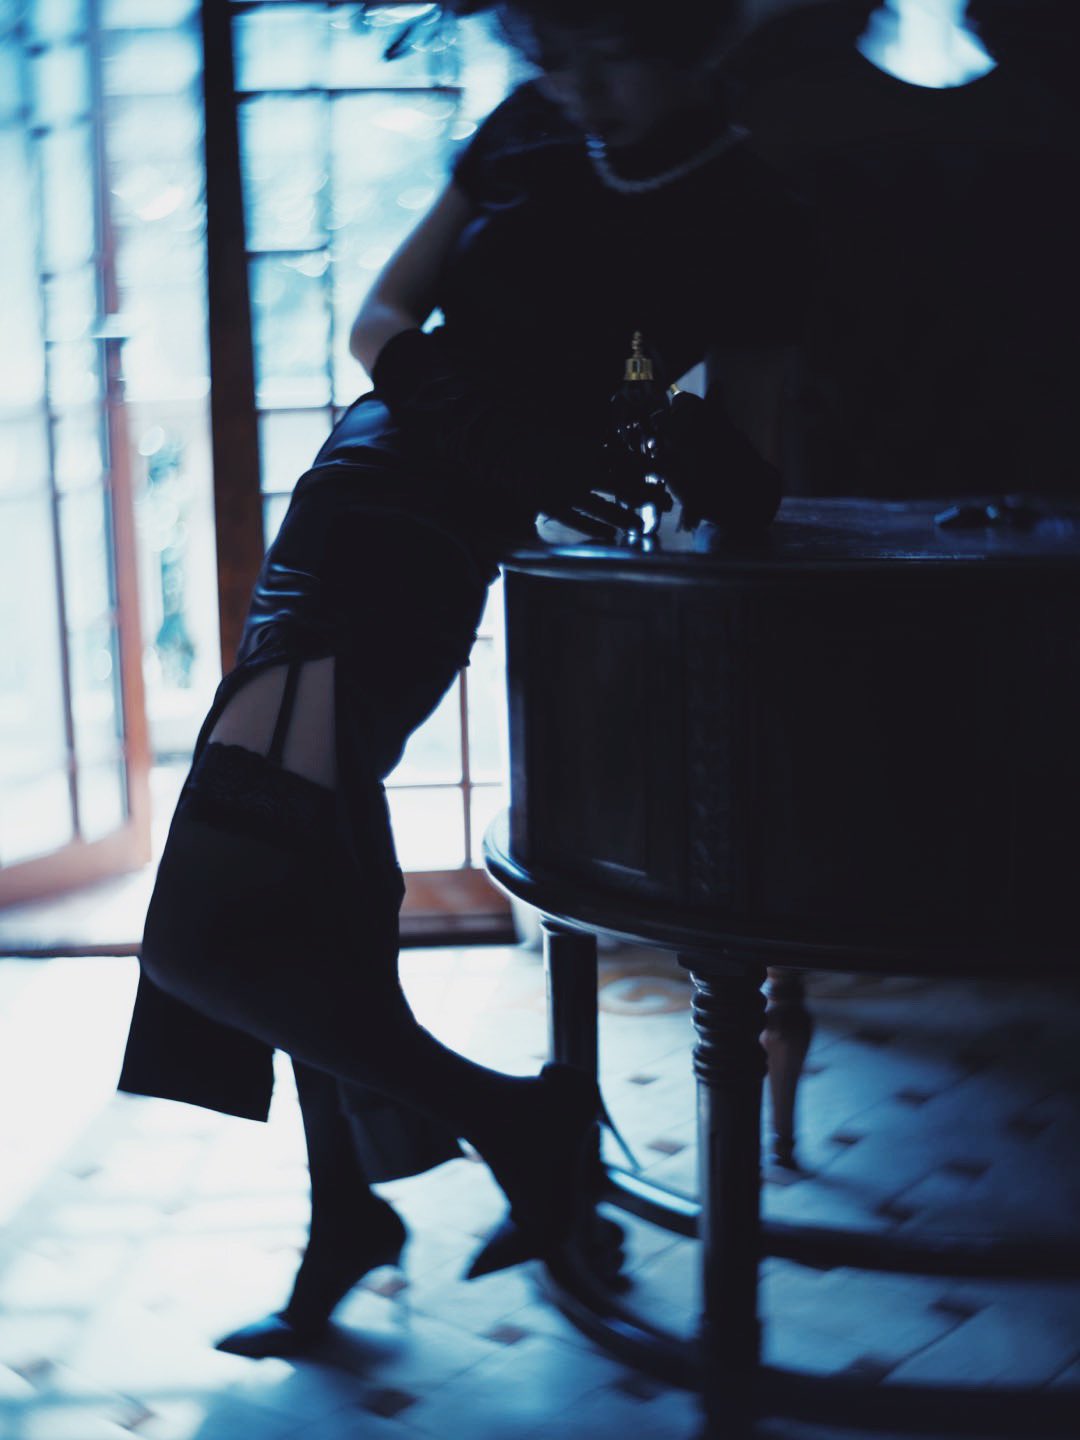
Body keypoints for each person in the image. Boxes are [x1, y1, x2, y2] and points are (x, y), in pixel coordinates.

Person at [117, 0, 805, 1357]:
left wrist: (659, 435)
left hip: (423, 560)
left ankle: (518, 1129)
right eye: (558, 51)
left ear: (692, 43)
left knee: (202, 938)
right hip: (345, 498)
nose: (581, 85)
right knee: (295, 896)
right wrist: (494, 430)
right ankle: (352, 1215)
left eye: (612, 56)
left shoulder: (752, 212)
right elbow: (380, 321)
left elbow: (752, 473)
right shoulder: (527, 128)